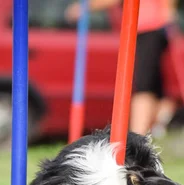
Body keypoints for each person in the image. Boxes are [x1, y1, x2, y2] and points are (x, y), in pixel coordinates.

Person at [66, 0, 177, 135]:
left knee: (144, 84)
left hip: (147, 27)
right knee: (153, 84)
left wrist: (84, 7)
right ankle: (158, 122)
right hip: (150, 27)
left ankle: (139, 137)